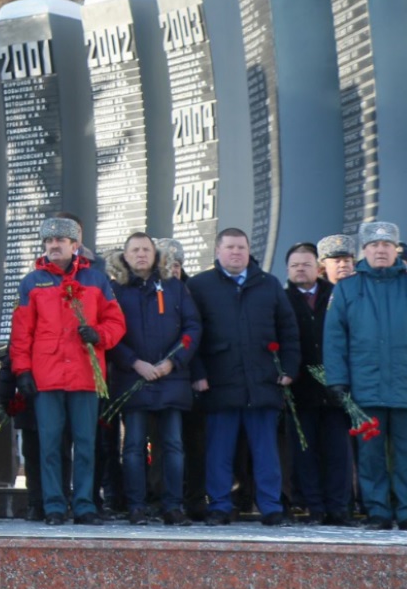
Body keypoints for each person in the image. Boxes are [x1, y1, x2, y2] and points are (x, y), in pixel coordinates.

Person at [9, 215, 125, 526]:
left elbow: (116, 323)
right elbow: (22, 333)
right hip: (47, 377)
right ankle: (54, 506)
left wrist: (99, 334)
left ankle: (85, 504)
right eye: (48, 241)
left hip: (86, 376)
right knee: (50, 445)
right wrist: (22, 371)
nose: (53, 246)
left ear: (75, 246)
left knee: (86, 444)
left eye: (60, 241)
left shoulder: (96, 280)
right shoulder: (32, 282)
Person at [187, 226, 299, 527]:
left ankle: (271, 507)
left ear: (249, 251)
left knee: (266, 452)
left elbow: (288, 330)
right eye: (230, 247)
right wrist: (196, 372)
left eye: (241, 247)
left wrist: (288, 368)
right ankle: (220, 506)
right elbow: (190, 333)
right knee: (219, 452)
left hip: (262, 382)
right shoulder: (200, 286)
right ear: (217, 252)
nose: (236, 252)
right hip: (219, 383)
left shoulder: (269, 284)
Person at [104, 232, 200, 526]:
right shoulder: (115, 290)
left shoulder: (173, 287)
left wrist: (174, 361)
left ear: (155, 254)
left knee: (172, 445)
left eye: (146, 249)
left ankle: (172, 505)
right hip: (133, 379)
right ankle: (136, 505)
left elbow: (193, 326)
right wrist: (134, 362)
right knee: (132, 445)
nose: (141, 254)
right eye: (135, 250)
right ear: (125, 255)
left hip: (170, 378)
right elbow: (109, 332)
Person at [324, 221, 407, 530]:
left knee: (405, 453)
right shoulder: (347, 288)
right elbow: (335, 339)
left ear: (395, 249)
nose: (380, 250)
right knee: (370, 455)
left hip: (403, 385)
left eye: (386, 245)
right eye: (374, 246)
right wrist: (337, 380)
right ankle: (378, 511)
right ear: (365, 251)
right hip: (365, 387)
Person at [285, 240, 353, 526]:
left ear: (318, 267)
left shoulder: (338, 295)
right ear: (287, 269)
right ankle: (314, 507)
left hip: (335, 388)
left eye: (306, 264)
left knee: (338, 452)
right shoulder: (281, 298)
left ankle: (339, 507)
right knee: (305, 451)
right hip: (298, 388)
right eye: (295, 265)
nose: (301, 270)